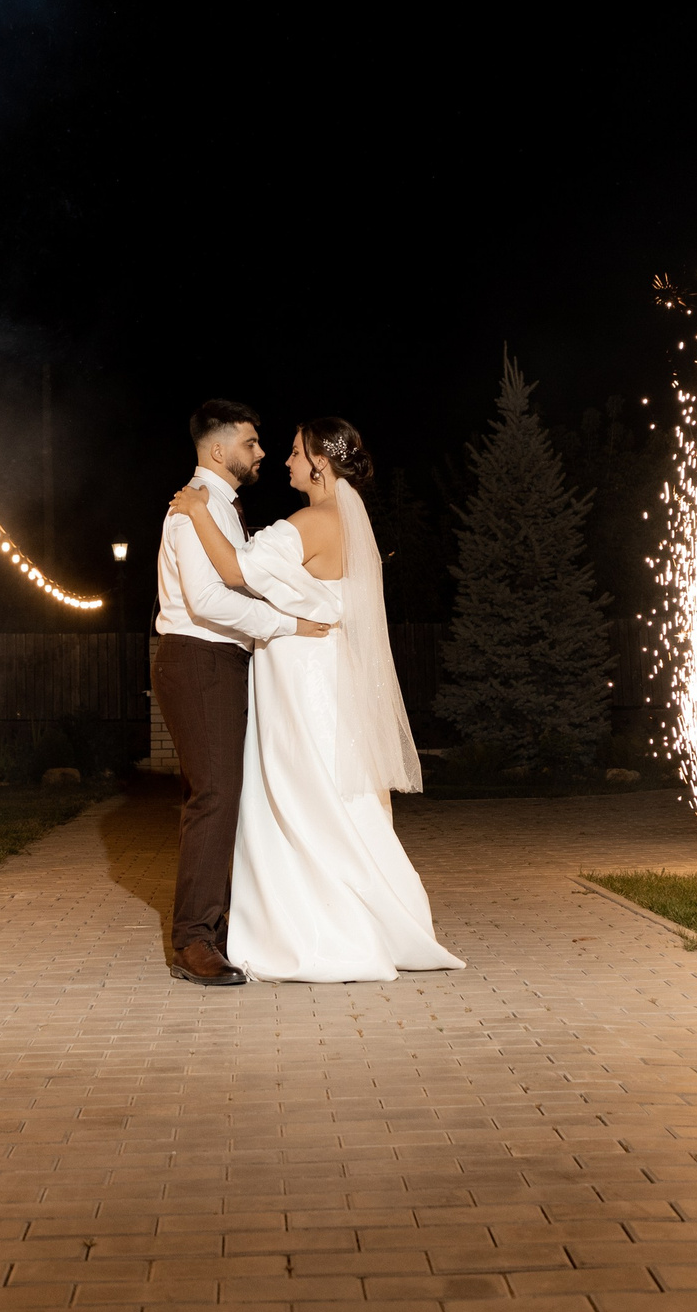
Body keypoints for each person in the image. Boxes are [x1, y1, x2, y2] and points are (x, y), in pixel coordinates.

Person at [169, 417, 464, 983]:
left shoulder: (312, 521)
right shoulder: (350, 522)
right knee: (327, 791)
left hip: (301, 674)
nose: (285, 462)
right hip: (321, 669)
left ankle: (310, 926)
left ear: (320, 465)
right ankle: (359, 913)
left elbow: (233, 571)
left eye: (297, 453)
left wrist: (198, 512)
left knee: (298, 790)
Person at [152, 400, 330, 987]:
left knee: (223, 796)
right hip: (199, 660)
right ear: (219, 448)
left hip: (219, 662)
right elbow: (209, 602)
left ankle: (218, 927)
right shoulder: (189, 512)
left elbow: (240, 581)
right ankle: (195, 942)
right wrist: (290, 623)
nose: (260, 454)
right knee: (215, 798)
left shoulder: (218, 510)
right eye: (251, 444)